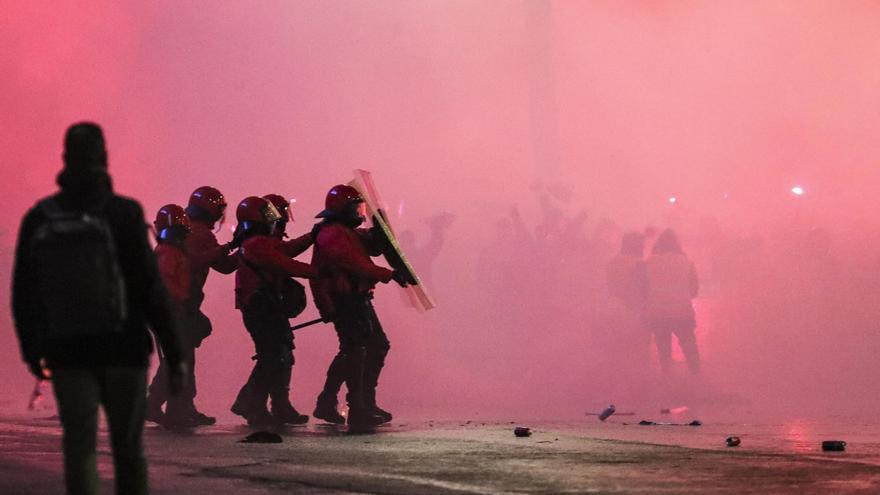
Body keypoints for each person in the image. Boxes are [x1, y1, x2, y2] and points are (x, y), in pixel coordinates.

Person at [11, 122, 184, 495]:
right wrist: (175, 353)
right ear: (104, 157)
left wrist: (33, 351)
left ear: (66, 158)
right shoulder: (124, 213)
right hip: (125, 351)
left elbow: (23, 294)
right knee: (128, 452)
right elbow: (151, 289)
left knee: (80, 450)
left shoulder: (40, 217)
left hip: (68, 351)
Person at [310, 185, 410, 427]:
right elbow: (355, 263)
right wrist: (389, 274)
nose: (359, 212)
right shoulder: (332, 234)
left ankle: (350, 401)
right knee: (355, 350)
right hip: (344, 299)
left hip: (356, 298)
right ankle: (357, 407)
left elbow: (372, 245)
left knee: (368, 347)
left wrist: (381, 229)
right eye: (356, 208)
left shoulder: (345, 232)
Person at [147, 186, 237, 425]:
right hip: (180, 305)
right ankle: (171, 407)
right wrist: (234, 247)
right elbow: (202, 262)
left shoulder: (183, 236)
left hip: (178, 305)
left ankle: (172, 405)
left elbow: (222, 264)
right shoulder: (199, 234)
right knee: (182, 358)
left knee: (181, 356)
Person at [230, 196, 317, 426]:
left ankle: (272, 405)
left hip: (267, 306)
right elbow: (286, 263)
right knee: (273, 357)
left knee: (279, 356)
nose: (275, 219)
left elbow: (286, 250)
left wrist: (311, 236)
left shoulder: (258, 242)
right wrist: (320, 271)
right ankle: (252, 403)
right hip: (262, 308)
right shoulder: (257, 244)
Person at [145, 204, 200, 428]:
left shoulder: (169, 251)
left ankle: (170, 408)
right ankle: (164, 407)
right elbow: (167, 285)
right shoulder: (169, 253)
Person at [643, 228, 700, 374]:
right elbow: (694, 290)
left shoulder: (649, 263)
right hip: (682, 311)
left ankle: (668, 379)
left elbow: (643, 288)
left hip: (658, 312)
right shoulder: (687, 262)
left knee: (664, 351)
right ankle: (696, 378)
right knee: (690, 349)